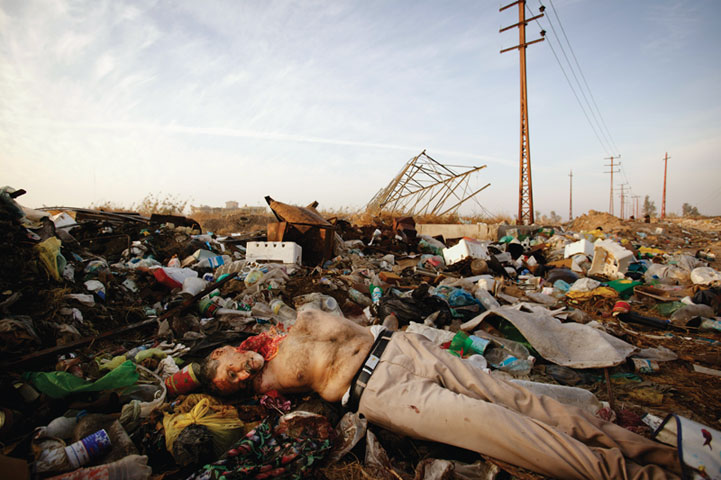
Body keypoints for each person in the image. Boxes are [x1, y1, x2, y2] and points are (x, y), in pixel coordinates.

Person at [200, 309, 681, 480]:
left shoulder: (271, 333)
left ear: (227, 350)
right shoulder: (266, 383)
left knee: (526, 401)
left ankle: (660, 454)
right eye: (232, 385)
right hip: (384, 390)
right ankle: (641, 476)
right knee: (512, 432)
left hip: (403, 346)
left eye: (230, 370)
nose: (240, 377)